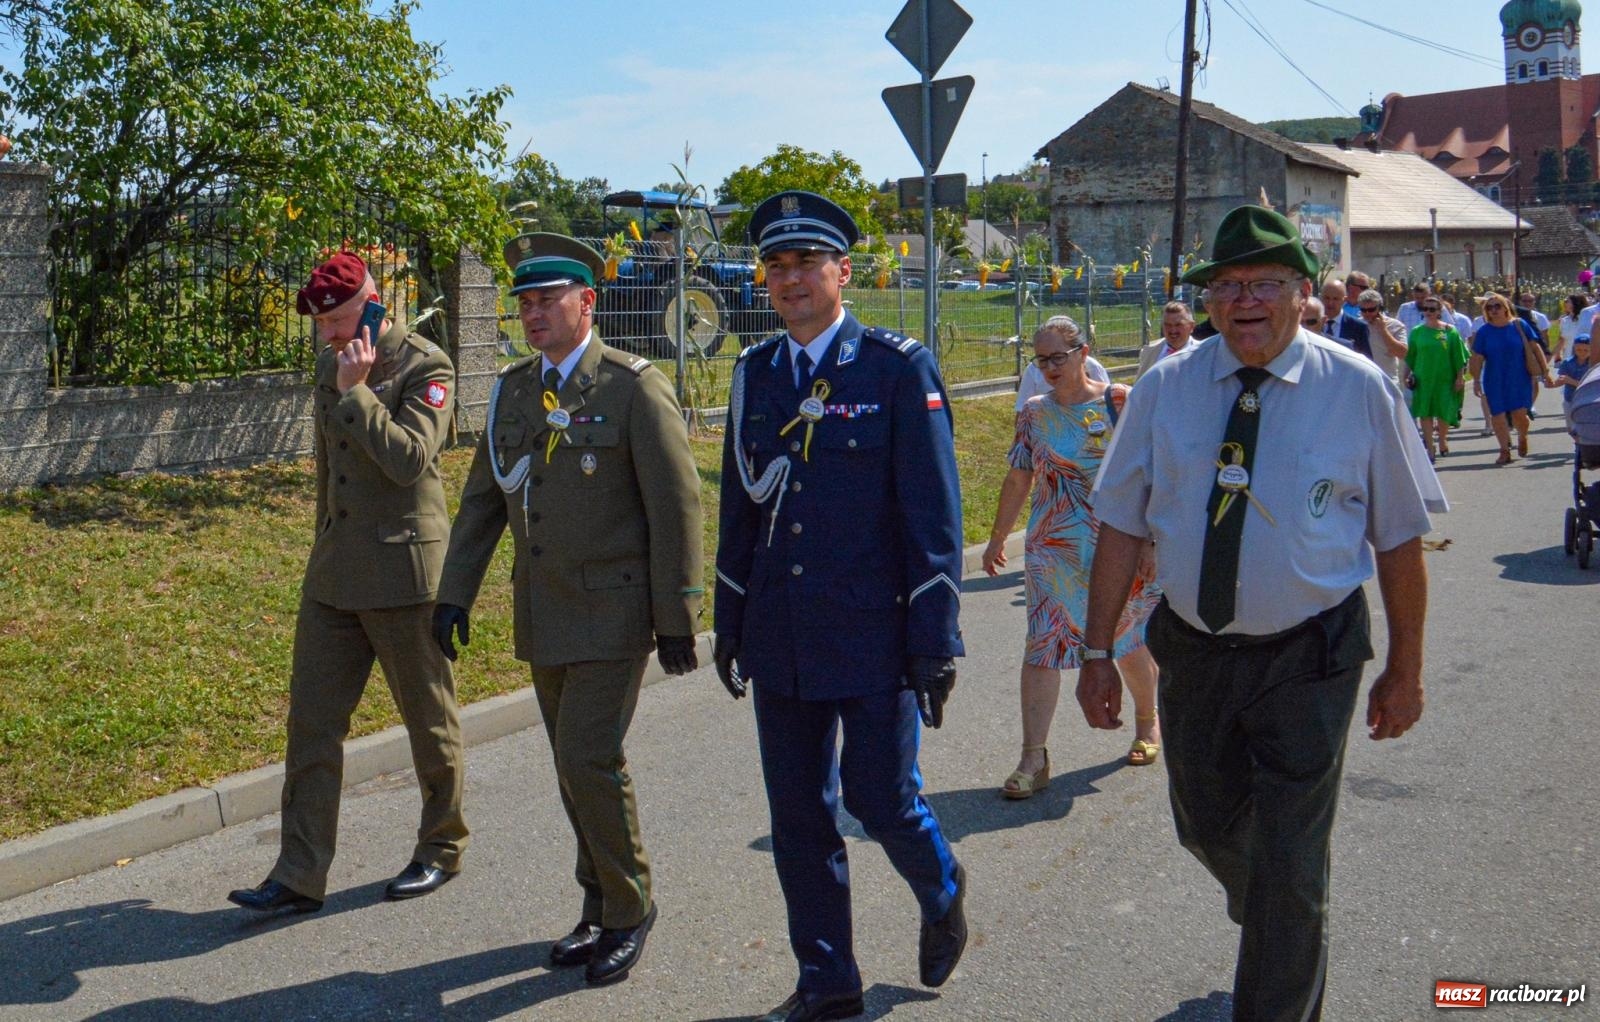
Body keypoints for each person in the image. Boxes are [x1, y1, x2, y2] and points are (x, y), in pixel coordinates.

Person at [1078, 205, 1441, 1022]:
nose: (1245, 300)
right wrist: (1097, 651)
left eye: (1266, 284)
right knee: (1204, 825)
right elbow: (1120, 524)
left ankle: (1284, 941)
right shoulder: (1165, 390)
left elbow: (1399, 540)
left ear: (1304, 294)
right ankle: (1286, 916)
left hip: (1311, 655)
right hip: (1196, 654)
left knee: (1289, 861)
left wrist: (1406, 667)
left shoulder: (1358, 389)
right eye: (1228, 286)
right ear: (1207, 301)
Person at [712, 190, 967, 1022]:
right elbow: (740, 511)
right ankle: (828, 981)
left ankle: (942, 883)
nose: (790, 280)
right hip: (781, 634)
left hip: (875, 633)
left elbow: (933, 513)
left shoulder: (895, 368)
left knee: (878, 798)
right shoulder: (755, 374)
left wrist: (935, 638)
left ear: (842, 272)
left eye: (806, 264)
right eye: (776, 266)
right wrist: (730, 616)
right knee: (797, 818)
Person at [432, 233, 704, 987]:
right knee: (571, 767)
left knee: (589, 757)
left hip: (615, 615)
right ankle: (599, 902)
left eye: (547, 299)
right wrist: (455, 591)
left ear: (587, 302)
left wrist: (679, 614)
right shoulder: (516, 390)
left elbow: (676, 506)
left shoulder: (631, 385)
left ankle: (629, 908)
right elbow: (485, 499)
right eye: (523, 302)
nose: (532, 313)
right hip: (544, 611)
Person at [227, 252, 467, 915]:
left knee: (430, 722)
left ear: (373, 301)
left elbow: (410, 461)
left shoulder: (425, 365)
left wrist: (358, 390)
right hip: (335, 576)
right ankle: (299, 873)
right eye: (321, 324)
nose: (328, 334)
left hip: (405, 575)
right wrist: (321, 543)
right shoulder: (331, 362)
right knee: (311, 726)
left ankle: (441, 847)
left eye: (336, 319)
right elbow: (327, 474)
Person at [982, 316, 1163, 795]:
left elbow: (1150, 473)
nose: (1048, 368)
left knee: (1124, 639)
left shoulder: (1119, 402)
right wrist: (999, 537)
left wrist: (1149, 542)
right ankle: (1032, 757)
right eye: (1040, 360)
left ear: (1084, 352)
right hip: (1052, 550)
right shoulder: (1034, 414)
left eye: (1057, 357)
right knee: (1042, 645)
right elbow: (1020, 475)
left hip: (1116, 547)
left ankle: (1147, 722)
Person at [1471, 292, 1540, 465]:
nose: (1493, 310)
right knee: (1497, 415)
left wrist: (1544, 371)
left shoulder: (1519, 325)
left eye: (1497, 306)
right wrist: (1476, 380)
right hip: (1494, 378)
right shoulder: (1484, 332)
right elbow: (1477, 358)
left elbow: (1535, 346)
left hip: (1518, 376)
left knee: (1520, 414)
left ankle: (1522, 436)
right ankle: (1504, 450)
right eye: (1489, 307)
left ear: (1506, 307)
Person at [1404, 297, 1469, 461]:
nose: (1428, 312)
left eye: (1432, 309)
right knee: (1425, 411)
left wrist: (1460, 377)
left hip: (1445, 378)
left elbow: (1458, 356)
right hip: (1423, 378)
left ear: (1440, 311)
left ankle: (1442, 438)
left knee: (1443, 411)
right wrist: (1405, 375)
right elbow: (1411, 356)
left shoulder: (1450, 332)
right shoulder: (1417, 332)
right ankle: (1430, 446)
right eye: (1425, 309)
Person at [1136, 300, 1201, 380]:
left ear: (1191, 326)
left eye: (1178, 325)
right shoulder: (1149, 352)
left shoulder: (1203, 353)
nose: (1173, 330)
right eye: (1167, 325)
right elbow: (1140, 388)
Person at [1356, 288, 1409, 386]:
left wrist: (1383, 330)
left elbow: (1402, 353)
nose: (1367, 313)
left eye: (1371, 310)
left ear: (1380, 308)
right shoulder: (1356, 325)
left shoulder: (1395, 326)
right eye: (1364, 310)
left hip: (1387, 381)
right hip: (1363, 381)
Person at [1318, 279, 1372, 358]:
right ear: (1321, 297)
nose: (1330, 303)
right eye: (1326, 298)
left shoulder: (1358, 327)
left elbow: (1367, 360)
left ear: (1344, 300)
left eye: (1335, 299)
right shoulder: (1311, 322)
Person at [1558, 293, 1590, 362]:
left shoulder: (1585, 319)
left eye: (1567, 301)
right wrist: (1557, 355)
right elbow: (1561, 339)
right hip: (1568, 360)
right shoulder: (1563, 320)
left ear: (1575, 303)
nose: (1564, 303)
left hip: (1586, 360)